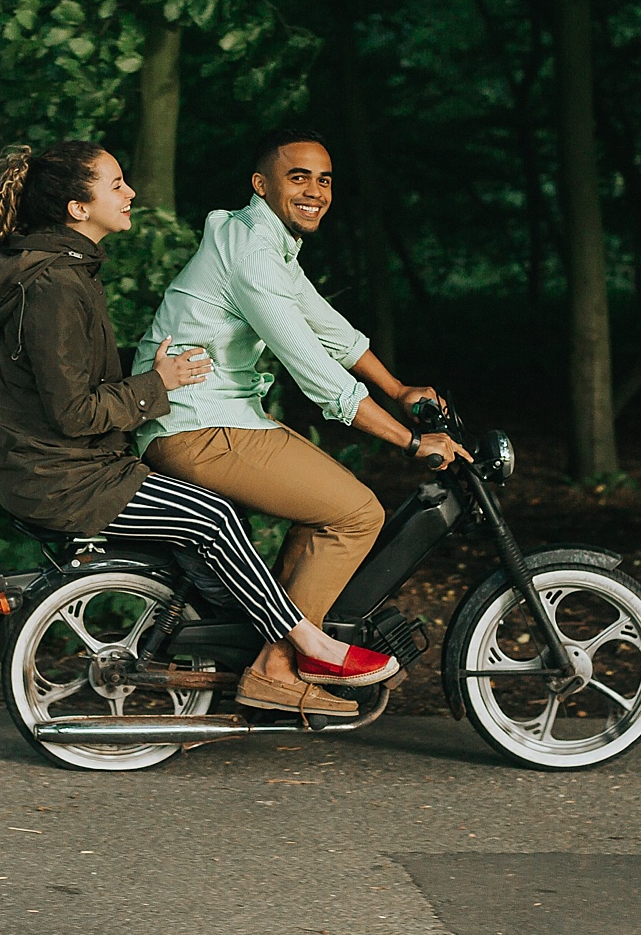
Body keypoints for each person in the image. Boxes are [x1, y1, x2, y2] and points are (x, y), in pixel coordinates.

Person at [0, 139, 398, 717]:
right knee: (212, 518)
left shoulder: (64, 274)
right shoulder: (53, 287)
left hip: (80, 465)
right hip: (63, 476)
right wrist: (159, 382)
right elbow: (74, 412)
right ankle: (303, 645)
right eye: (115, 185)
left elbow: (68, 374)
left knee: (222, 525)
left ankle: (268, 653)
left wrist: (146, 369)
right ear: (77, 209)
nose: (130, 193)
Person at [135, 127, 471, 711]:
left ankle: (273, 657)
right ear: (261, 185)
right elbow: (313, 367)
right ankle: (276, 670)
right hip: (198, 428)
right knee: (356, 513)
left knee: (325, 512)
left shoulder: (257, 242)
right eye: (299, 177)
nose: (316, 190)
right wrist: (410, 440)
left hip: (222, 420)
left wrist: (397, 388)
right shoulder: (251, 256)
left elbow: (325, 323)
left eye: (325, 179)